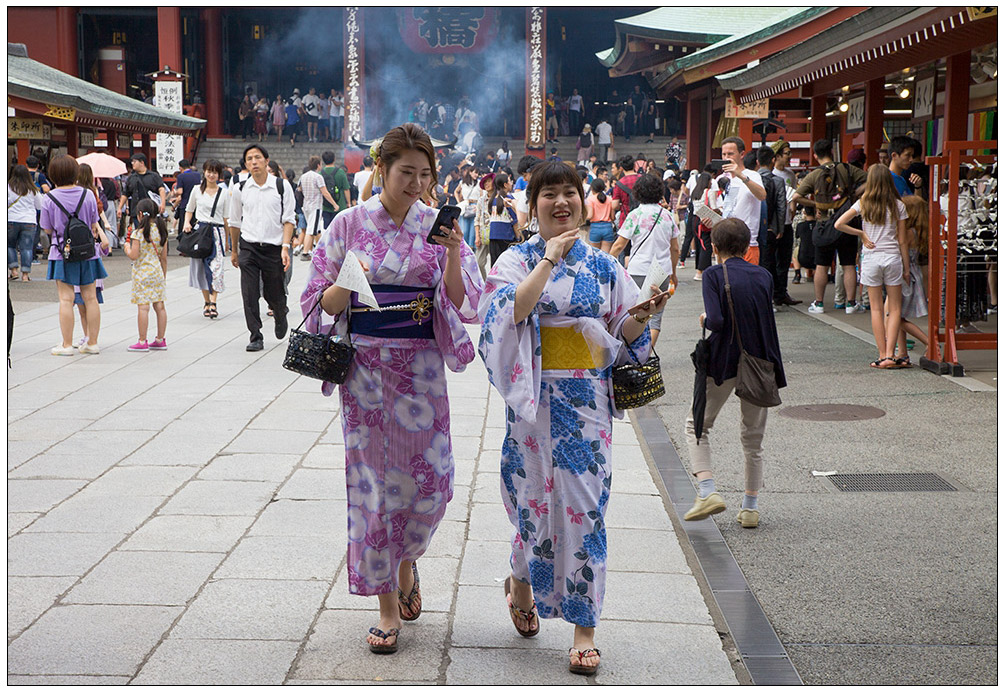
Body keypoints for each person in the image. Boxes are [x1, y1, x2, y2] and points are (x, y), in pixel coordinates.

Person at [478, 160, 666, 676]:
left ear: (583, 201)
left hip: (587, 404)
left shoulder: (605, 266)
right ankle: (521, 580)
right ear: (531, 204)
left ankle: (585, 629)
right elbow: (502, 316)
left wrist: (640, 318)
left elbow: (623, 333)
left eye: (570, 194)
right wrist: (548, 260)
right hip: (533, 405)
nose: (561, 203)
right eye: (549, 195)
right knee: (532, 508)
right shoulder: (515, 260)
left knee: (587, 508)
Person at [301, 122, 483, 654]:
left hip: (421, 372)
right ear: (381, 169)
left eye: (426, 174)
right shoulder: (347, 224)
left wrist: (452, 252)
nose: (417, 183)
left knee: (432, 485)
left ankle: (407, 560)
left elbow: (465, 302)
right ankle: (386, 606)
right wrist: (346, 282)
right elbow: (316, 304)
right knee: (374, 490)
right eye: (407, 172)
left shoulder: (437, 225)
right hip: (366, 376)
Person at [684, 217, 785, 530]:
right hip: (759, 363)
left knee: (697, 424)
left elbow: (715, 319)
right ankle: (750, 507)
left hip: (724, 361)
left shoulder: (714, 274)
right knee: (753, 438)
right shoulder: (764, 275)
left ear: (714, 247)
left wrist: (704, 316)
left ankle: (707, 491)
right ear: (746, 246)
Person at [834, 164, 909, 368]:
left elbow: (838, 223)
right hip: (893, 257)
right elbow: (903, 240)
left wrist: (861, 234)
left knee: (875, 308)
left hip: (871, 258)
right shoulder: (898, 205)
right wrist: (907, 267)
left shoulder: (863, 203)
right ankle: (891, 355)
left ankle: (881, 354)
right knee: (894, 308)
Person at [228, 144, 296, 352]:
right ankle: (255, 335)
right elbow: (234, 222)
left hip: (274, 247)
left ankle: (280, 313)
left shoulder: (281, 187)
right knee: (249, 293)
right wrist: (234, 250)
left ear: (267, 161)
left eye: (257, 158)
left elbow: (289, 220)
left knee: (273, 291)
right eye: (249, 159)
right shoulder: (240, 188)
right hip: (248, 246)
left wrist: (285, 247)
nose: (253, 162)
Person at [40, 155, 107, 355]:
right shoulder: (87, 194)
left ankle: (67, 345)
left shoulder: (48, 198)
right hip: (88, 252)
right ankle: (92, 342)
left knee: (66, 299)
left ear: (53, 174)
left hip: (62, 252)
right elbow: (94, 223)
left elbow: (48, 229)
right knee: (91, 297)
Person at [793, 138, 868, 314]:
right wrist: (855, 194)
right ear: (832, 152)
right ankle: (850, 304)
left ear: (815, 155)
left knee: (822, 265)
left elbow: (796, 197)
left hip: (823, 224)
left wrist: (814, 204)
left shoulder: (813, 175)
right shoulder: (847, 169)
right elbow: (871, 179)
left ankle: (819, 303)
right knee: (848, 263)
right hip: (847, 222)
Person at [608, 173, 680, 345]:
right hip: (661, 272)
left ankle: (634, 353)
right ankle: (647, 355)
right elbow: (675, 248)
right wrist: (674, 274)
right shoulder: (667, 216)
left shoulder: (635, 215)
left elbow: (619, 245)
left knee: (635, 313)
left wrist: (608, 264)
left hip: (637, 271)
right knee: (655, 318)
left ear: (637, 193)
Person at [182, 159, 229, 319]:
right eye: (209, 171)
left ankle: (214, 302)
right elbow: (189, 210)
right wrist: (187, 223)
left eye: (215, 172)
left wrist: (228, 241)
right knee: (201, 268)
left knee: (217, 269)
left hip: (218, 233)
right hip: (201, 232)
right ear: (204, 172)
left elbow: (226, 218)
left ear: (219, 175)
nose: (211, 175)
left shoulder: (224, 193)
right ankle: (207, 301)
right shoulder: (196, 190)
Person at [754, 146, 800, 306]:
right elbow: (781, 206)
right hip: (776, 227)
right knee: (778, 262)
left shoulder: (752, 179)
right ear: (773, 159)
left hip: (758, 227)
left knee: (765, 262)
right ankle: (778, 294)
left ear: (758, 162)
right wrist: (779, 228)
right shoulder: (777, 180)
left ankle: (770, 294)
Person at [124, 199, 169, 352]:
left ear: (140, 214)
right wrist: (163, 275)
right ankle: (160, 339)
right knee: (160, 306)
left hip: (142, 274)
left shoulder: (138, 233)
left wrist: (126, 248)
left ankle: (142, 341)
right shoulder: (161, 231)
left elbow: (134, 255)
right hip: (157, 272)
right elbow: (164, 257)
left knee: (143, 308)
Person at [718, 137, 766, 265]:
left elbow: (762, 195)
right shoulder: (722, 178)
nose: (726, 157)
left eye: (730, 154)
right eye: (724, 154)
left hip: (746, 243)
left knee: (747, 283)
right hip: (725, 243)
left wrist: (741, 175)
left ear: (742, 154)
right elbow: (725, 209)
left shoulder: (752, 175)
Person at [896, 195, 930, 364]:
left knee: (893, 315)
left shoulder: (906, 232)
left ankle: (929, 342)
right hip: (912, 274)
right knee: (898, 315)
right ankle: (902, 353)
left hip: (903, 275)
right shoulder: (917, 232)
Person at [8, 164, 44, 281]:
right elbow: (40, 205)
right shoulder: (32, 189)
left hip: (11, 219)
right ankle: (25, 275)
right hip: (29, 221)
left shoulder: (9, 187)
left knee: (10, 246)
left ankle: (14, 271)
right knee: (26, 248)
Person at [299, 155, 338, 259]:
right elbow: (325, 192)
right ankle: (305, 252)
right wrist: (334, 204)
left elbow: (299, 189)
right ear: (318, 165)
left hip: (306, 205)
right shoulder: (318, 177)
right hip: (315, 206)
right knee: (311, 230)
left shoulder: (303, 176)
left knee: (316, 229)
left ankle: (322, 249)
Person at [118, 153, 166, 231]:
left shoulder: (154, 176)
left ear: (142, 162)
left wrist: (163, 203)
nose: (132, 163)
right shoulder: (131, 178)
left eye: (134, 161)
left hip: (151, 209)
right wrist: (120, 208)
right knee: (140, 231)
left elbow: (161, 189)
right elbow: (125, 194)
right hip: (137, 210)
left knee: (153, 230)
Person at [486, 172, 519, 267]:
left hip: (493, 237)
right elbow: (515, 222)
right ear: (505, 184)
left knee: (495, 265)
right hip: (506, 237)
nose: (511, 183)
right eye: (510, 181)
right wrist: (518, 238)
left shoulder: (492, 200)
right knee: (506, 265)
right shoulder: (508, 199)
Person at [472, 172, 495, 279]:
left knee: (496, 263)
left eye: (489, 181)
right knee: (479, 262)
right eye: (485, 182)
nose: (486, 184)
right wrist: (477, 236)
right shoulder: (481, 200)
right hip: (483, 234)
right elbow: (477, 219)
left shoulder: (499, 198)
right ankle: (484, 284)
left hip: (496, 234)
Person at [320, 151, 351, 226]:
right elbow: (346, 189)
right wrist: (348, 203)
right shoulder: (340, 172)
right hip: (340, 205)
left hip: (325, 206)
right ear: (334, 159)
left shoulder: (320, 174)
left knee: (327, 230)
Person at [172, 159, 202, 232]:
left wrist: (174, 192)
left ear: (181, 168)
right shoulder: (197, 175)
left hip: (185, 204)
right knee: (195, 226)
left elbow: (180, 191)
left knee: (184, 225)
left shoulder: (181, 176)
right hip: (196, 204)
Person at [454, 166, 480, 249]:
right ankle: (463, 249)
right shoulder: (462, 183)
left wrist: (479, 206)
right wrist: (459, 202)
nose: (477, 175)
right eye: (475, 172)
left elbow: (482, 195)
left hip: (475, 206)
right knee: (464, 230)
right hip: (465, 206)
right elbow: (456, 191)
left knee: (473, 232)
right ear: (470, 172)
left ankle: (471, 249)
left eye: (477, 173)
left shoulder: (479, 183)